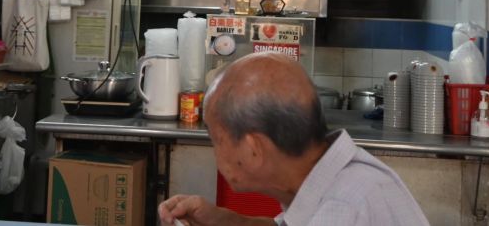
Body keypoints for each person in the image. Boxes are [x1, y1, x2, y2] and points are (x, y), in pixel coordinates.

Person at [159, 52, 430, 226]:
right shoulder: (337, 181)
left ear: (254, 149)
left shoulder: (343, 210)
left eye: (216, 138)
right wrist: (224, 221)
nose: (214, 150)